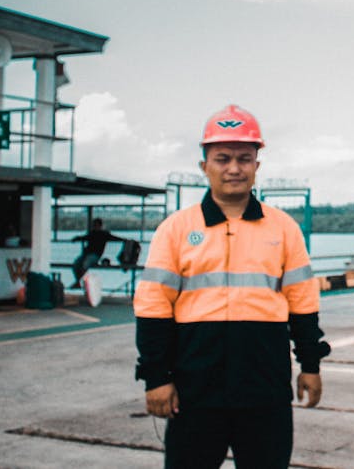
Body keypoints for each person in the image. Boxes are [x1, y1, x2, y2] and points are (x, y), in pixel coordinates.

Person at [134, 104, 330, 469]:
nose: (234, 168)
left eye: (244, 159)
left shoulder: (283, 229)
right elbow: (153, 307)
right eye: (222, 159)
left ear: (257, 165)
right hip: (193, 389)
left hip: (264, 388)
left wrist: (310, 365)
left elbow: (303, 304)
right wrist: (155, 378)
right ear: (204, 166)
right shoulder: (175, 229)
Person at [70, 218, 124, 288]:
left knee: (85, 264)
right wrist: (76, 238)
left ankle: (79, 282)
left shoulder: (104, 234)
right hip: (86, 255)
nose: (95, 227)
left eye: (96, 225)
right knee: (76, 264)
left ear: (100, 226)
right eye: (94, 225)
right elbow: (84, 237)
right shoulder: (92, 233)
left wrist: (125, 240)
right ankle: (78, 282)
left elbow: (115, 238)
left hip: (95, 255)